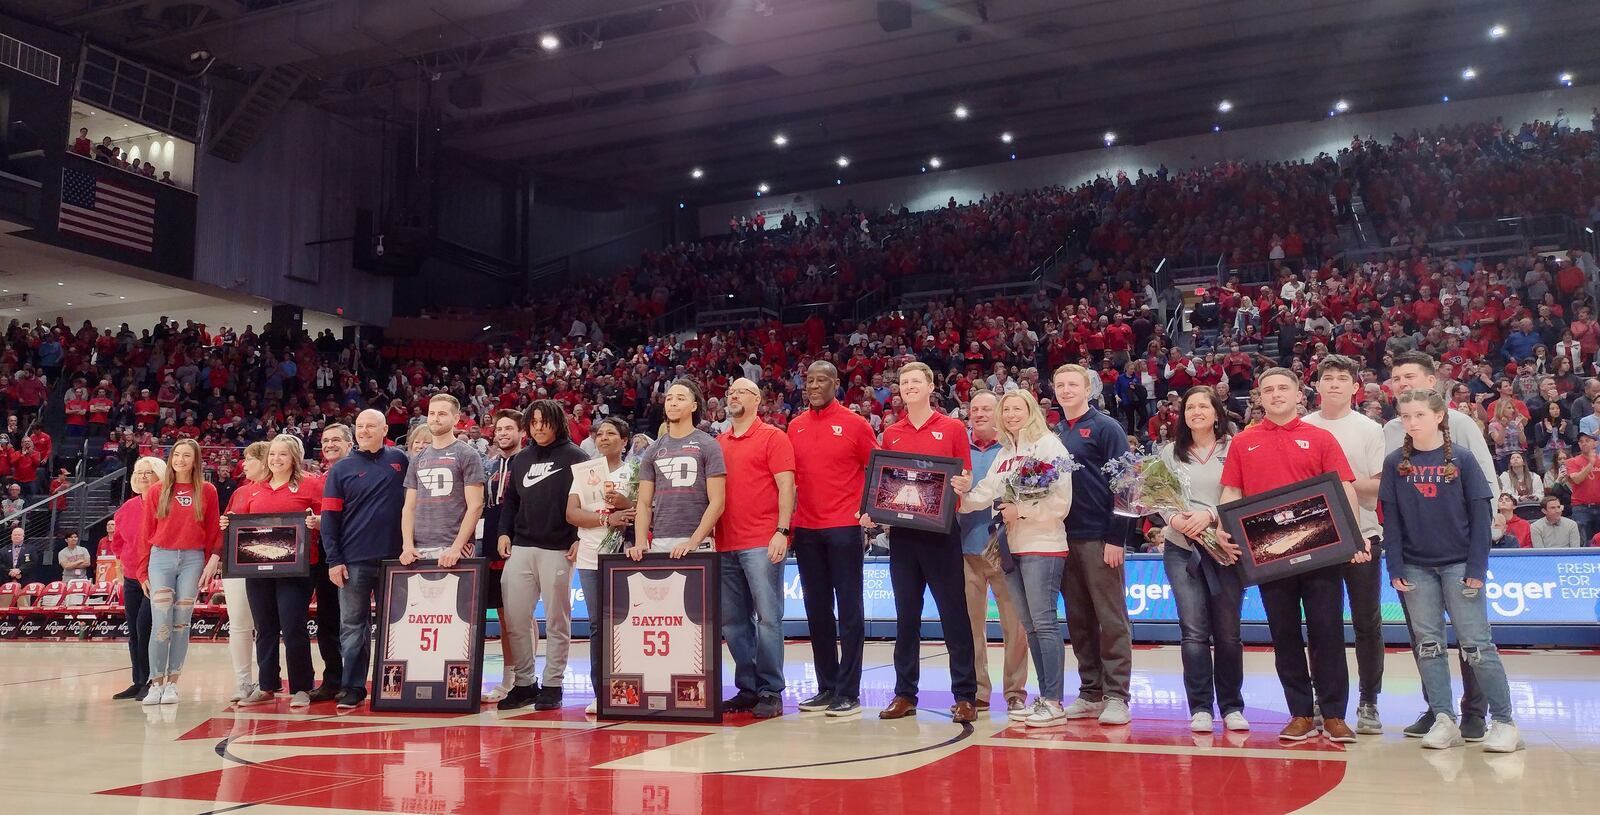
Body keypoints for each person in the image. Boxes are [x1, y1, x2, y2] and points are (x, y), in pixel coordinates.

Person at [1217, 368, 1364, 742]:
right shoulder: (1243, 442)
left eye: (1284, 388)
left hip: (1322, 552)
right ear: (1259, 398)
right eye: (1268, 390)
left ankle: (1333, 715)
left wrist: (1355, 538)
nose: (1276, 394)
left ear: (1300, 395)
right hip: (1270, 556)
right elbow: (1232, 493)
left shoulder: (1320, 437)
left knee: (1327, 632)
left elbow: (1344, 489)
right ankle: (1300, 713)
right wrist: (1222, 528)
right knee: (1284, 635)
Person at [1380, 387, 1523, 753]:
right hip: (1415, 567)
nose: (1412, 422)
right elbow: (1391, 522)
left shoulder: (1462, 459)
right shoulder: (1395, 462)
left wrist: (1477, 566)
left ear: (1439, 416)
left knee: (1477, 646)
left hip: (1459, 565)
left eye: (1420, 415)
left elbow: (1480, 519)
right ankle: (1443, 718)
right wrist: (1395, 564)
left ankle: (1505, 722)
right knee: (1429, 646)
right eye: (1406, 416)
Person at [955, 390, 1071, 726]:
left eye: (1017, 409)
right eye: (1007, 411)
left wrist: (1021, 510)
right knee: (1032, 628)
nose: (1011, 415)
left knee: (1044, 624)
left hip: (1043, 544)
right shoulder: (1007, 452)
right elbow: (986, 492)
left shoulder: (1049, 445)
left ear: (1031, 410)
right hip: (1011, 548)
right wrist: (959, 497)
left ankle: (1054, 700)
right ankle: (1045, 698)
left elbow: (1061, 502)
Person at [873, 362, 978, 724]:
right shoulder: (891, 434)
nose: (909, 386)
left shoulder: (951, 428)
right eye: (904, 382)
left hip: (941, 534)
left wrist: (962, 487)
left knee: (954, 616)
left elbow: (963, 478)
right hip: (902, 537)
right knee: (906, 618)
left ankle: (966, 695)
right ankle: (905, 694)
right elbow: (883, 484)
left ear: (931, 385)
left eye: (917, 380)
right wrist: (874, 508)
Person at [1302, 355, 1389, 735]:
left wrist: (1335, 489)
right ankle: (1325, 698)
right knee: (1322, 625)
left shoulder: (1369, 429)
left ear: (1355, 387)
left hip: (1364, 534)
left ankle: (1368, 700)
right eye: (1328, 378)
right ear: (1317, 386)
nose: (1334, 383)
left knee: (1366, 623)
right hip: (1316, 537)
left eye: (1342, 378)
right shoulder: (1301, 426)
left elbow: (1380, 484)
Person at [787, 360, 876, 718]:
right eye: (809, 379)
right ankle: (826, 686)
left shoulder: (856, 424)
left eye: (821, 379)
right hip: (806, 529)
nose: (813, 385)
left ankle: (849, 691)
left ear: (836, 384)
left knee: (850, 610)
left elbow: (876, 470)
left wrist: (868, 514)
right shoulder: (795, 427)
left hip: (843, 526)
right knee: (817, 610)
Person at [1157, 386, 1249, 733]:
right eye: (1189, 406)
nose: (1196, 411)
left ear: (1216, 412)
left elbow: (1245, 490)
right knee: (1193, 632)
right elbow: (1158, 497)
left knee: (1228, 633)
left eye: (1203, 406)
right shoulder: (1170, 453)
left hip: (1226, 547)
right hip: (1182, 548)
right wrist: (1177, 521)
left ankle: (1231, 706)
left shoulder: (1234, 446)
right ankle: (1200, 707)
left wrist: (1210, 516)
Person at [1051, 363, 1134, 725]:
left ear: (1089, 388)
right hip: (1063, 538)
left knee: (1111, 618)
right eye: (1060, 385)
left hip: (1100, 538)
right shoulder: (1054, 434)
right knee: (1079, 619)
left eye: (1073, 384)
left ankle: (1117, 695)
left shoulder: (1106, 427)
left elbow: (1128, 484)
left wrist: (1117, 537)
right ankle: (1090, 692)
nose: (1066, 390)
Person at [495, 400, 588, 712]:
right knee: (516, 619)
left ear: (557, 422)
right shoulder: (521, 459)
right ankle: (524, 684)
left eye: (543, 421)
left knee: (557, 621)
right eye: (532, 422)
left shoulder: (577, 456)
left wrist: (579, 537)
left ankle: (553, 684)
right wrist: (504, 532)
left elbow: (587, 499)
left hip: (559, 548)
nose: (538, 427)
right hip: (521, 546)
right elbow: (510, 501)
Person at [713, 378, 795, 719]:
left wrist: (782, 530)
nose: (733, 395)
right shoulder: (717, 443)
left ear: (758, 400)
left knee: (768, 619)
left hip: (762, 539)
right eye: (730, 392)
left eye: (741, 391)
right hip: (725, 542)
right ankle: (747, 687)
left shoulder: (773, 437)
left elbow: (787, 485)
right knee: (733, 623)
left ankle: (770, 689)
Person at [322, 409, 410, 710]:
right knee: (352, 627)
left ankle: (392, 685)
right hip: (354, 560)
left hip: (396, 562)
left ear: (384, 429)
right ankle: (353, 687)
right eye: (359, 426)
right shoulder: (340, 470)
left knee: (396, 627)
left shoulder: (401, 460)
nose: (364, 430)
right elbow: (329, 519)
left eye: (370, 426)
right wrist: (334, 560)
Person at [955, 390, 1030, 717]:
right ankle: (977, 691)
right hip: (965, 549)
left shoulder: (1013, 450)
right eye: (975, 409)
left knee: (1015, 626)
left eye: (987, 408)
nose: (980, 414)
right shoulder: (959, 451)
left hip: (1005, 549)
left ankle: (1015, 692)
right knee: (970, 628)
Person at [131, 439, 221, 706]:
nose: (180, 460)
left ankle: (172, 684)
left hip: (193, 560)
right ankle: (155, 684)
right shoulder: (159, 489)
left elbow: (214, 529)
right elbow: (146, 532)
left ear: (196, 460)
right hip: (161, 558)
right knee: (160, 623)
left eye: (186, 456)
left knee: (181, 624)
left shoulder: (207, 490)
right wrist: (142, 571)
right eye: (176, 455)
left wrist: (210, 562)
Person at [235, 436, 323, 708]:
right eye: (272, 454)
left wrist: (316, 522)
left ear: (295, 457)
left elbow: (327, 519)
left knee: (293, 625)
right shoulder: (252, 489)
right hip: (258, 569)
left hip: (297, 569)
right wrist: (227, 524)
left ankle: (302, 686)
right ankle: (267, 685)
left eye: (283, 454)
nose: (276, 459)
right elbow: (238, 526)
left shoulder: (311, 484)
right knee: (264, 627)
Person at [567, 418, 637, 715]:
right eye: (600, 433)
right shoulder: (584, 471)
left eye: (611, 434)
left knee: (627, 624)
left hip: (625, 555)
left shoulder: (636, 470)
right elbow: (572, 513)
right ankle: (601, 691)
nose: (604, 438)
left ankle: (631, 687)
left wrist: (623, 503)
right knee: (598, 625)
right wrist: (608, 519)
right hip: (590, 556)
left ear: (624, 441)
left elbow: (640, 511)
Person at [627, 379, 725, 560]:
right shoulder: (653, 449)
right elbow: (644, 503)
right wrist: (641, 542)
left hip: (698, 542)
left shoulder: (709, 445)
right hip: (660, 540)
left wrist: (693, 542)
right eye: (669, 398)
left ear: (694, 406)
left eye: (680, 398)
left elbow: (718, 501)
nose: (673, 402)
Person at [400, 394, 485, 567]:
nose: (435, 418)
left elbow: (476, 505)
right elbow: (409, 507)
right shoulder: (417, 458)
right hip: (418, 550)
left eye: (442, 414)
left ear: (456, 418)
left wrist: (457, 547)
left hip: (454, 549)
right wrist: (407, 545)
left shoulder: (467, 454)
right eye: (431, 413)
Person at [211, 441, 266, 702]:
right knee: (240, 625)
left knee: (268, 626)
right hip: (237, 564)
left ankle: (268, 680)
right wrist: (217, 555)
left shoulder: (278, 490)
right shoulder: (241, 492)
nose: (243, 464)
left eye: (249, 459)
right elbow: (226, 526)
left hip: (269, 565)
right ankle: (243, 681)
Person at [109, 456, 164, 700]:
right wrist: (124, 562)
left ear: (160, 475)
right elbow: (118, 542)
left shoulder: (165, 504)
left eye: (149, 472)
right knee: (133, 629)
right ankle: (138, 680)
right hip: (132, 576)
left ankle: (153, 679)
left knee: (146, 627)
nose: (143, 476)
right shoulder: (127, 508)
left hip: (156, 575)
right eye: (139, 472)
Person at [480, 409, 524, 703]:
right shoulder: (491, 466)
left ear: (523, 433)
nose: (503, 433)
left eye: (509, 428)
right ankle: (509, 677)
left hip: (520, 540)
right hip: (492, 541)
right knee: (503, 615)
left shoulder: (529, 462)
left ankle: (523, 677)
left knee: (520, 615)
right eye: (499, 429)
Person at [306, 423, 352, 702]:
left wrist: (325, 522)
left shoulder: (359, 471)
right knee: (327, 619)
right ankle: (333, 679)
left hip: (356, 550)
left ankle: (353, 681)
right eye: (326, 440)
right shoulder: (320, 478)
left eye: (336, 440)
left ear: (350, 443)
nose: (330, 444)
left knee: (352, 621)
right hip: (325, 553)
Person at [1566, 433, 1600, 544]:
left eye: (1587, 440)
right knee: (1583, 542)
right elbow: (1577, 479)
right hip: (1582, 508)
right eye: (1581, 441)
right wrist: (1591, 463)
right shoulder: (1572, 461)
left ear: (1596, 443)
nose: (1584, 443)